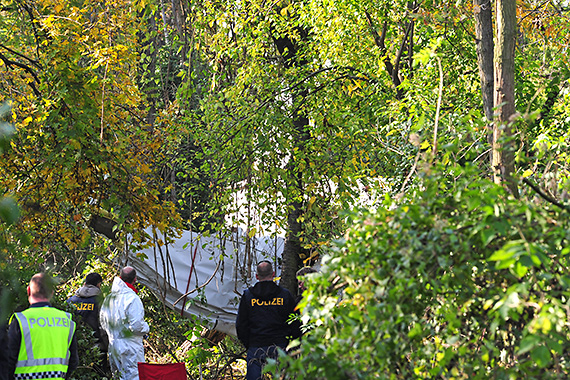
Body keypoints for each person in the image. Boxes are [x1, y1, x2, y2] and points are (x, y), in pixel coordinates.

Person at [236, 261, 301, 380]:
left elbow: (241, 325)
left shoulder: (248, 296)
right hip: (280, 346)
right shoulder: (285, 295)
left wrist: (249, 344)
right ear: (274, 274)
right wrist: (290, 343)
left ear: (256, 276)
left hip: (256, 346)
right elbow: (295, 322)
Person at [6, 273, 78, 380]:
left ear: (28, 290)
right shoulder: (66, 320)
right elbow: (73, 361)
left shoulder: (21, 320)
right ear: (51, 293)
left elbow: (8, 361)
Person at [99, 266, 149, 380]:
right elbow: (137, 326)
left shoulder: (109, 298)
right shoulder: (132, 298)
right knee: (134, 376)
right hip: (131, 347)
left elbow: (103, 322)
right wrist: (146, 328)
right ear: (135, 279)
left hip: (113, 346)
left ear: (120, 277)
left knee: (118, 376)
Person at [67, 272, 109, 375]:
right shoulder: (100, 301)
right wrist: (107, 345)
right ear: (99, 284)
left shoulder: (71, 301)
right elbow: (103, 325)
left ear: (85, 283)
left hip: (76, 347)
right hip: (97, 348)